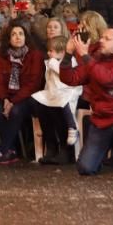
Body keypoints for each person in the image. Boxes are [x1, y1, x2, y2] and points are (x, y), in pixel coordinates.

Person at [61, 27, 113, 175]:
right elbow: (70, 79)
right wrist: (68, 54)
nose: (101, 41)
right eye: (102, 37)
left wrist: (86, 55)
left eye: (107, 39)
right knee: (85, 168)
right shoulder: (96, 60)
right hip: (102, 119)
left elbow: (107, 79)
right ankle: (103, 153)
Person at [0, 23, 44, 164]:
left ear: (26, 37)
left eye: (21, 34)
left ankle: (2, 150)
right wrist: (5, 99)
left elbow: (33, 84)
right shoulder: (2, 57)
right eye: (14, 34)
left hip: (28, 97)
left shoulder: (35, 55)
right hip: (7, 96)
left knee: (16, 111)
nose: (18, 37)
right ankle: (11, 151)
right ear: (8, 39)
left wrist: (13, 101)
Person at [32, 35, 82, 165]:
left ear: (62, 52)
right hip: (53, 93)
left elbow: (64, 75)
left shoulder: (68, 62)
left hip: (67, 93)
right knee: (39, 103)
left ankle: (66, 150)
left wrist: (53, 62)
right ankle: (51, 145)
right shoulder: (51, 62)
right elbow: (50, 83)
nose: (48, 53)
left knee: (57, 108)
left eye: (51, 51)